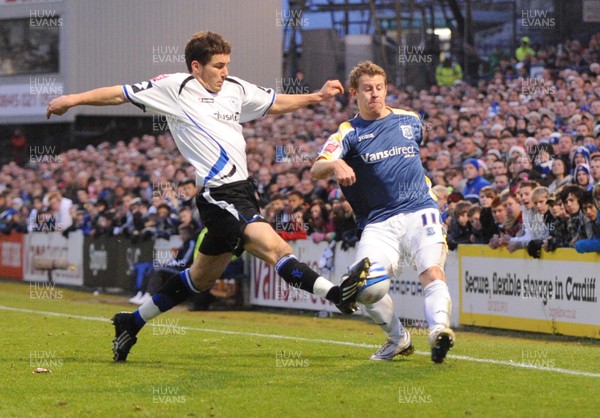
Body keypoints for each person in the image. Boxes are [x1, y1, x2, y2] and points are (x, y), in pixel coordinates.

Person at [47, 31, 369, 362]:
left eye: (227, 64)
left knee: (199, 279)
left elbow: (274, 103)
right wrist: (72, 99)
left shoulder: (234, 89)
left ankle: (131, 321)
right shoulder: (175, 87)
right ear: (196, 67)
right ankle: (336, 294)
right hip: (219, 194)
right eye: (218, 66)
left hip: (244, 191)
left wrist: (316, 97)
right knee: (277, 249)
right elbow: (120, 95)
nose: (225, 72)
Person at [311, 61, 454, 364]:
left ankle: (439, 331)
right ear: (355, 93)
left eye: (379, 88)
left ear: (386, 88)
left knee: (432, 270)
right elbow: (316, 169)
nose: (374, 94)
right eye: (367, 89)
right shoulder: (348, 133)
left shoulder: (411, 120)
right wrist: (335, 163)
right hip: (378, 222)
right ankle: (398, 339)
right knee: (366, 289)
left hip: (420, 210)